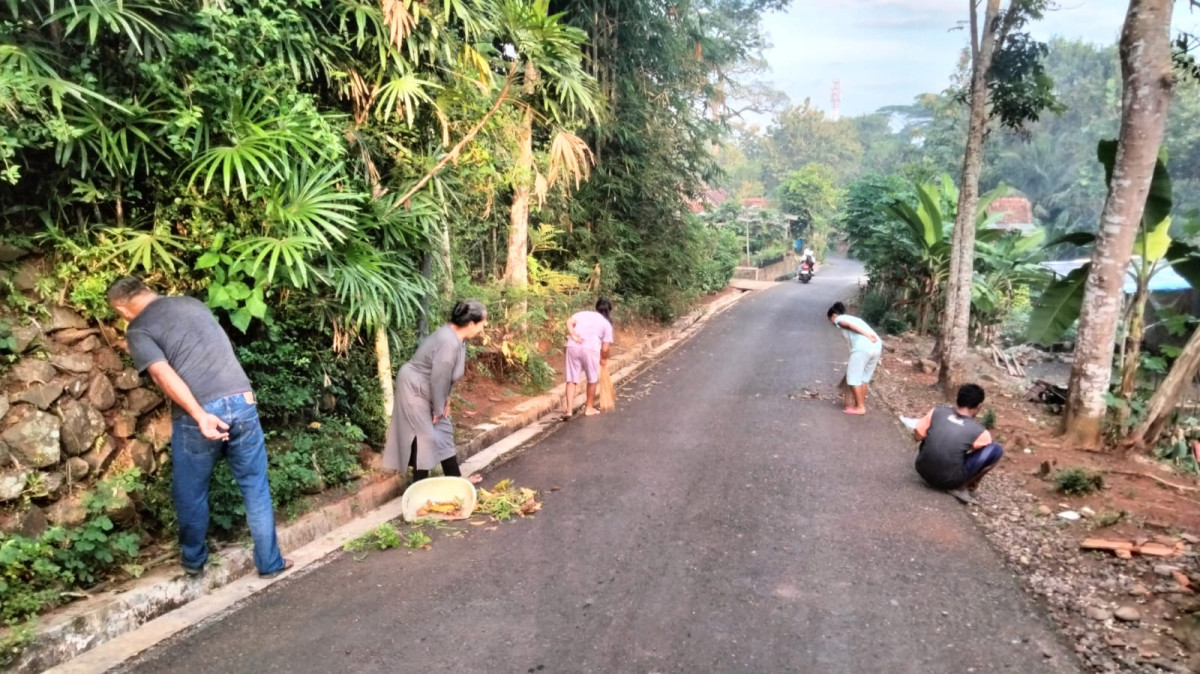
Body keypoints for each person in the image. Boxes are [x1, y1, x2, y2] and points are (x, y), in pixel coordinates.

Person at [107, 277, 291, 579]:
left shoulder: (138, 329)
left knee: (190, 491)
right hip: (242, 398)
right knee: (254, 485)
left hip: (201, 410)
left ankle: (194, 562)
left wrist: (199, 414)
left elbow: (162, 376)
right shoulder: (192, 303)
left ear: (121, 308)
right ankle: (270, 563)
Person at [383, 300, 488, 482]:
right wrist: (438, 408)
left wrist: (445, 399)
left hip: (432, 387)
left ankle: (455, 480)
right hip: (414, 387)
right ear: (471, 324)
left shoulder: (457, 338)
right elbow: (439, 377)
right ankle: (418, 489)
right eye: (483, 322)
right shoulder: (448, 341)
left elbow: (446, 375)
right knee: (426, 437)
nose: (485, 325)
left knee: (444, 431)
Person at [911, 384, 1004, 505]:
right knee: (996, 450)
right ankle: (964, 487)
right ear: (979, 406)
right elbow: (982, 454)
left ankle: (932, 464)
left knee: (931, 432)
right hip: (949, 481)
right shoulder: (980, 431)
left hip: (922, 470)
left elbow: (917, 437)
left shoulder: (937, 412)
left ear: (957, 399)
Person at [827, 301, 882, 415]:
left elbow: (849, 326)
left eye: (830, 320)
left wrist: (867, 335)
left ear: (833, 315)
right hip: (876, 346)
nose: (832, 323)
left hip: (864, 347)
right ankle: (860, 404)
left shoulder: (838, 319)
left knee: (853, 377)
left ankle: (860, 407)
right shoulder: (856, 319)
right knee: (864, 378)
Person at [562, 298, 614, 419]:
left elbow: (569, 322)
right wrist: (603, 360)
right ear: (609, 311)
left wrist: (573, 334)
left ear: (595, 308)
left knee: (571, 379)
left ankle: (569, 410)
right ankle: (589, 408)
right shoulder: (606, 324)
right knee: (592, 379)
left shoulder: (581, 314)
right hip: (591, 349)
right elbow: (605, 349)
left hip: (573, 346)